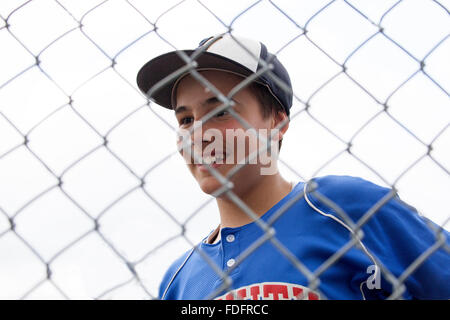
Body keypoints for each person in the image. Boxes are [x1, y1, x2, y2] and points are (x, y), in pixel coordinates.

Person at [136, 33, 450, 300]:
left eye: (220, 111)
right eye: (186, 120)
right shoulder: (178, 283)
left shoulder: (344, 210)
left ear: (276, 122)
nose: (200, 135)